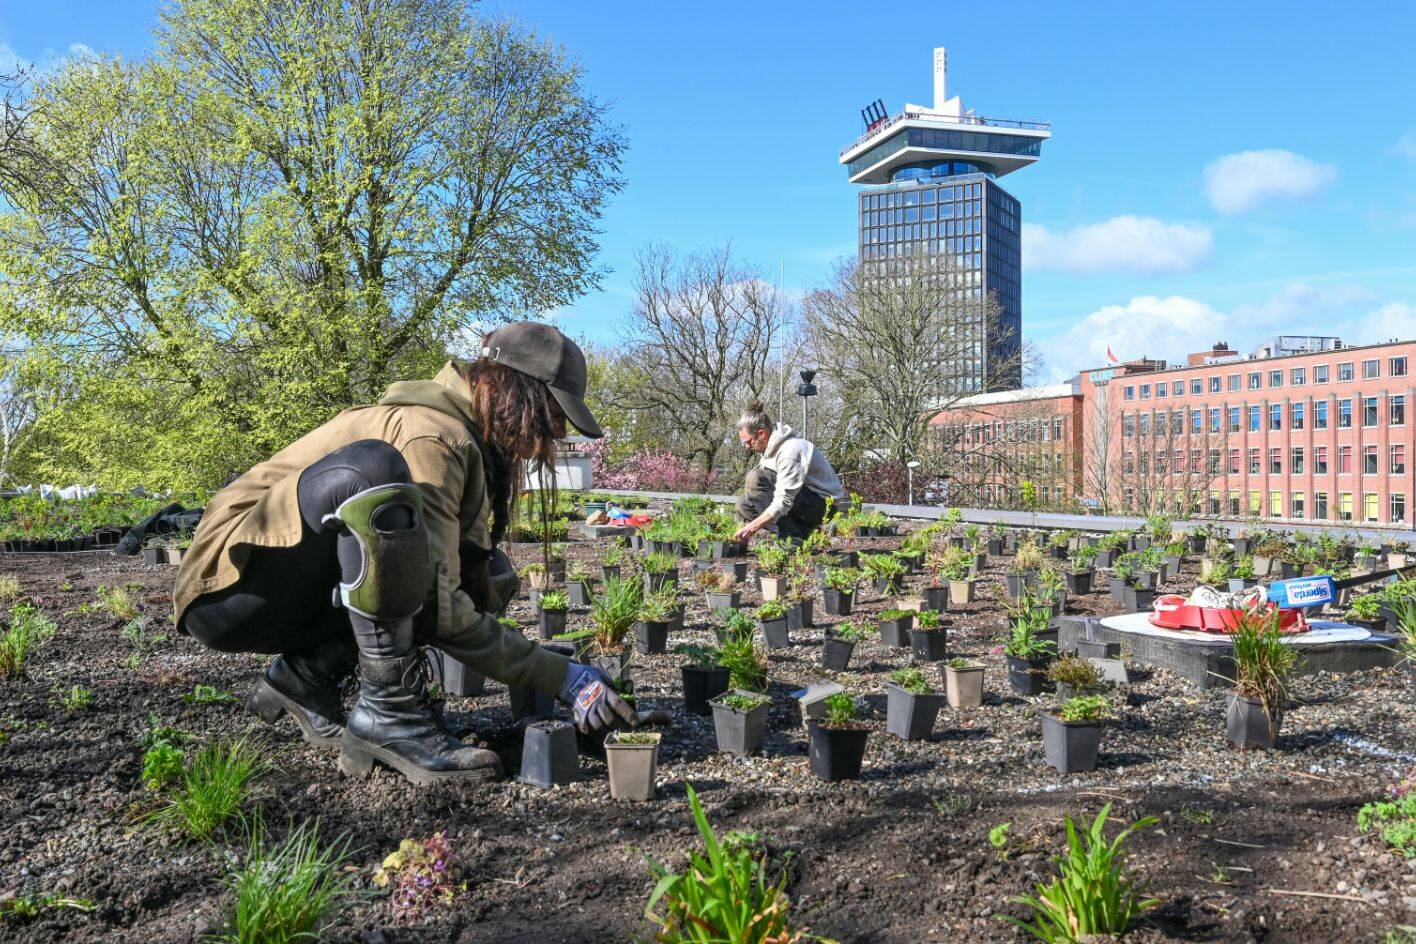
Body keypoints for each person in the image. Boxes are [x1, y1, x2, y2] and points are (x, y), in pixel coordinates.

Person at [173, 322, 635, 785]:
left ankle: (304, 677)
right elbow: (438, 606)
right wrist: (562, 676)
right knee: (372, 472)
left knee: (486, 572)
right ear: (516, 391)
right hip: (228, 588)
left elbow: (452, 586)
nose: (550, 436)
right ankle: (390, 713)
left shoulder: (461, 434)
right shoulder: (431, 436)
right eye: (550, 415)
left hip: (278, 588)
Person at [732, 402, 846, 544]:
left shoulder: (790, 451)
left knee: (755, 479)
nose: (747, 447)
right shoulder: (769, 451)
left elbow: (783, 501)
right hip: (802, 501)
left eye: (748, 442)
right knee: (744, 505)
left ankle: (792, 539)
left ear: (761, 433)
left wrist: (752, 527)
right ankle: (801, 533)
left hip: (821, 505)